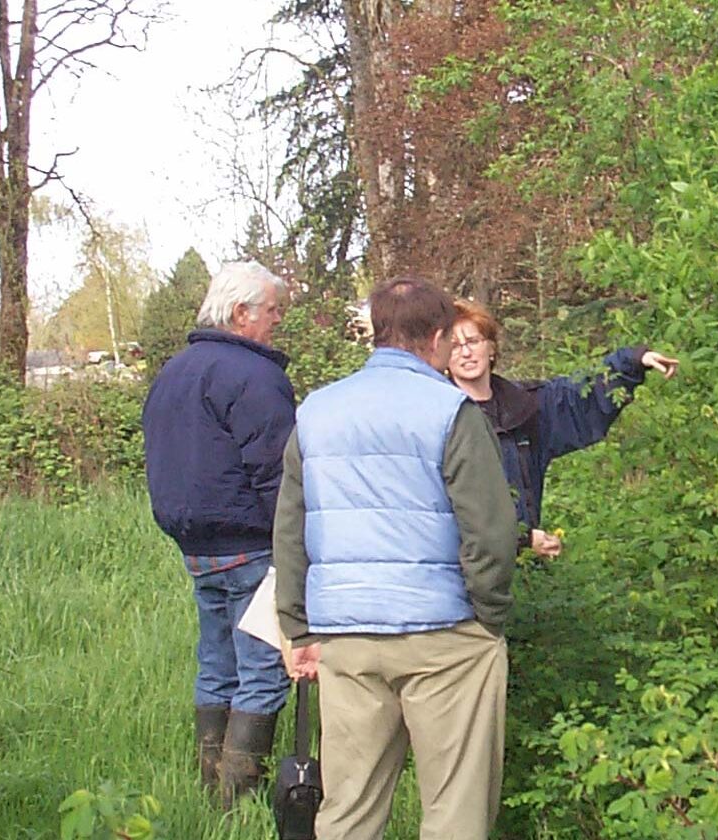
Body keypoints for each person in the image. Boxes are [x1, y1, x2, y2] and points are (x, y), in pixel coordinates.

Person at [273, 276, 519, 840]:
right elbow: (490, 531)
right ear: (436, 338)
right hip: (447, 634)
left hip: (346, 636)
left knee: (347, 813)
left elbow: (290, 527)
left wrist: (297, 624)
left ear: (376, 334)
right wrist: (489, 616)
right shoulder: (454, 410)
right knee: (455, 813)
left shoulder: (316, 410)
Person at [141, 260, 293, 808]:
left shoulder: (173, 371)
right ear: (240, 313)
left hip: (196, 548)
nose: (278, 320)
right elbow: (278, 472)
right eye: (273, 310)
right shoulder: (254, 376)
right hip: (250, 546)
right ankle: (237, 800)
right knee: (262, 669)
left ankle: (212, 793)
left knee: (216, 665)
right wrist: (298, 547)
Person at [449, 299, 678, 556]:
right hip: (467, 570)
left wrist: (633, 362)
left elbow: (579, 398)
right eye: (455, 346)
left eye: (473, 341)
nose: (466, 353)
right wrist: (520, 539)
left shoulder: (523, 407)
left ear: (491, 348)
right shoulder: (442, 417)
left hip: (525, 567)